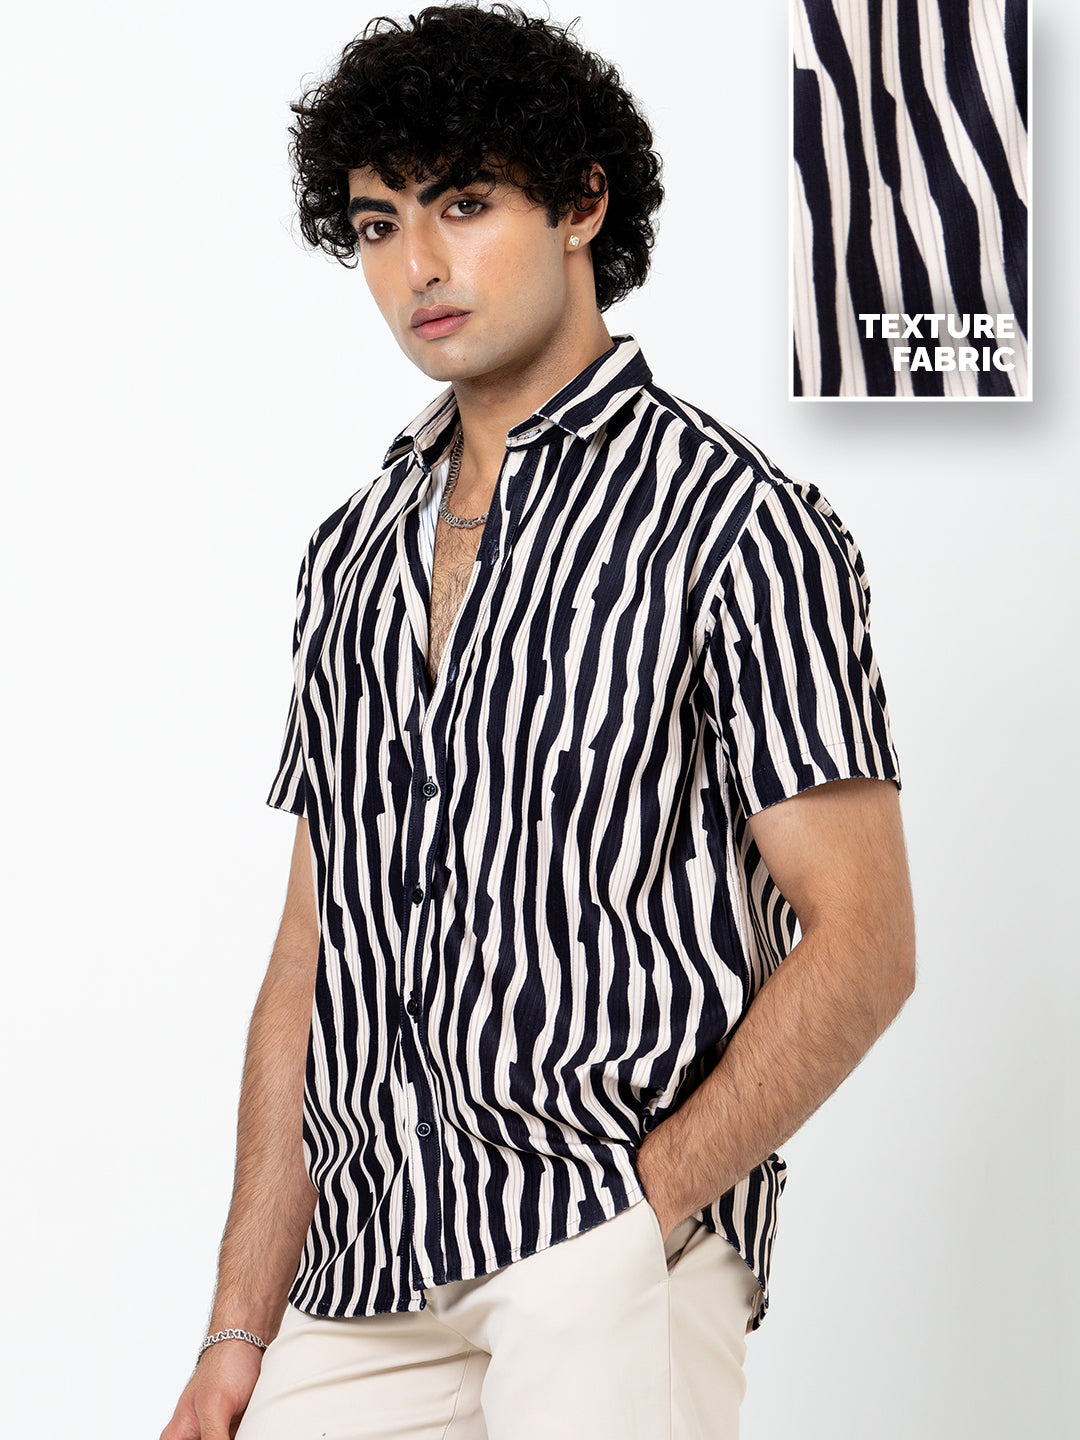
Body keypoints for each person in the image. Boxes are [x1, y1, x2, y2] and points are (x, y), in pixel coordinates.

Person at [161, 6, 915, 1438]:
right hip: (363, 1266)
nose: (417, 266)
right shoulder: (353, 551)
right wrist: (240, 1325)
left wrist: (644, 1207)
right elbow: (310, 951)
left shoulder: (737, 526)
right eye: (378, 223)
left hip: (600, 1248)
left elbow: (867, 942)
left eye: (463, 203)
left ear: (580, 204)